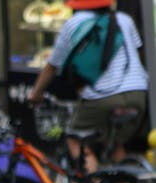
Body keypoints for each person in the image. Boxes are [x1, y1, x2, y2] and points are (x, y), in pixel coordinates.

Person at [28, 0, 148, 170]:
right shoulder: (124, 19)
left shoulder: (74, 23)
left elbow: (51, 66)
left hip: (102, 96)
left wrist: (35, 94)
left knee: (75, 139)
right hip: (138, 93)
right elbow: (138, 49)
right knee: (114, 143)